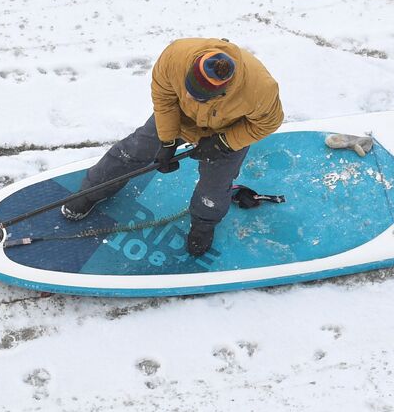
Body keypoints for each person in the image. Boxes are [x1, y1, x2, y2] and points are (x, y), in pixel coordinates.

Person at [61, 37, 283, 257]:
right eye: (187, 88)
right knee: (135, 149)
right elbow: (164, 98)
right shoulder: (176, 56)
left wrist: (223, 142)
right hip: (179, 117)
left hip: (227, 130)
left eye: (197, 96)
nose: (187, 95)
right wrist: (167, 142)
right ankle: (92, 190)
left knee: (215, 185)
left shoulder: (260, 89)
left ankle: (204, 225)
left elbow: (268, 122)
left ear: (221, 93)